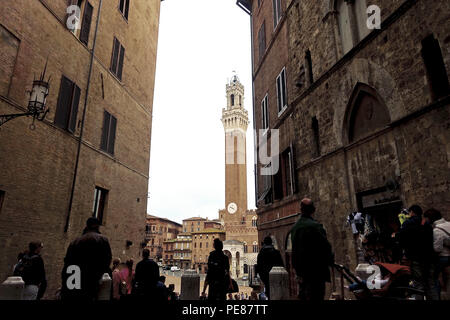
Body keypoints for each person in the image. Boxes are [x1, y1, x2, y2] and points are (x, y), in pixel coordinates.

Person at [290, 198, 334, 301]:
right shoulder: (316, 226)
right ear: (313, 210)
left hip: (302, 274)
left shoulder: (295, 228)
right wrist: (330, 261)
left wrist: (297, 271)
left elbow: (294, 252)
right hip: (316, 273)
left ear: (301, 210)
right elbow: (326, 248)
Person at [393, 205, 439, 300]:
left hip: (415, 258)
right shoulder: (426, 223)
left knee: (418, 284)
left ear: (412, 212)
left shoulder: (407, 224)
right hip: (429, 258)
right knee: (431, 283)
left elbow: (401, 241)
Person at [61, 217, 112, 301]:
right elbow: (106, 260)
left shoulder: (75, 241)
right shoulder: (102, 240)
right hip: (92, 280)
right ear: (97, 226)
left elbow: (67, 263)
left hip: (75, 280)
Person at [424, 208, 450, 299]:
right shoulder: (448, 224)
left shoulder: (437, 230)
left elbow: (437, 249)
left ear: (430, 218)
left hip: (443, 257)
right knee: (446, 275)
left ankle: (437, 296)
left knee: (433, 277)